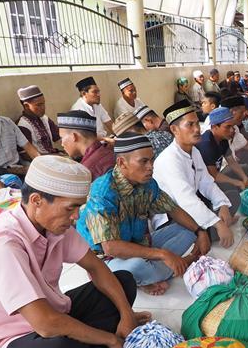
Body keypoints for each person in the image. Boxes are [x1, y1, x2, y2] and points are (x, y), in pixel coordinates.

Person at [0, 155, 145, 348]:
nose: (76, 217)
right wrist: (110, 340)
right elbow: (45, 324)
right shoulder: (4, 245)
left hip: (50, 314)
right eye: (70, 208)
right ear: (36, 200)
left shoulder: (54, 225)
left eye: (79, 207)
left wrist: (126, 315)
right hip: (7, 342)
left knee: (123, 281)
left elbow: (96, 267)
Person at [77, 132, 209, 295]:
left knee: (188, 231)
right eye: (144, 161)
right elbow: (111, 247)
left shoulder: (148, 183)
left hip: (138, 244)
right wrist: (163, 254)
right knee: (136, 267)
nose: (151, 166)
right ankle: (176, 266)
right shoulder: (102, 194)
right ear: (122, 162)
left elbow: (172, 209)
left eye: (152, 159)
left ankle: (157, 272)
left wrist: (200, 231)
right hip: (106, 259)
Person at [152, 101, 235, 250]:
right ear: (174, 129)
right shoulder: (169, 160)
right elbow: (186, 201)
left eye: (197, 123)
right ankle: (210, 231)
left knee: (232, 197)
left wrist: (222, 205)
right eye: (190, 125)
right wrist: (218, 223)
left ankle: (212, 229)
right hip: (173, 217)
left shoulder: (194, 151)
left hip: (189, 206)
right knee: (190, 233)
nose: (197, 129)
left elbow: (206, 182)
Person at [195, 106, 247, 213]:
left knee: (246, 170)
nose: (232, 130)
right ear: (214, 127)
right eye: (227, 127)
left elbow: (231, 160)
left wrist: (244, 177)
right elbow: (213, 175)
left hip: (215, 177)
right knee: (233, 195)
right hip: (204, 188)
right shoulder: (206, 144)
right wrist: (237, 182)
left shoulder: (223, 138)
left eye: (232, 126)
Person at [56, 111, 114, 180]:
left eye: (62, 137)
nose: (62, 144)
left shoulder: (87, 172)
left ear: (73, 137)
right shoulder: (109, 152)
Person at [16, 85, 60, 155]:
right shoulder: (23, 125)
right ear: (26, 106)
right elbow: (25, 154)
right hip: (36, 162)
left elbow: (58, 136)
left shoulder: (45, 118)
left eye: (43, 103)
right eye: (39, 105)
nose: (43, 107)